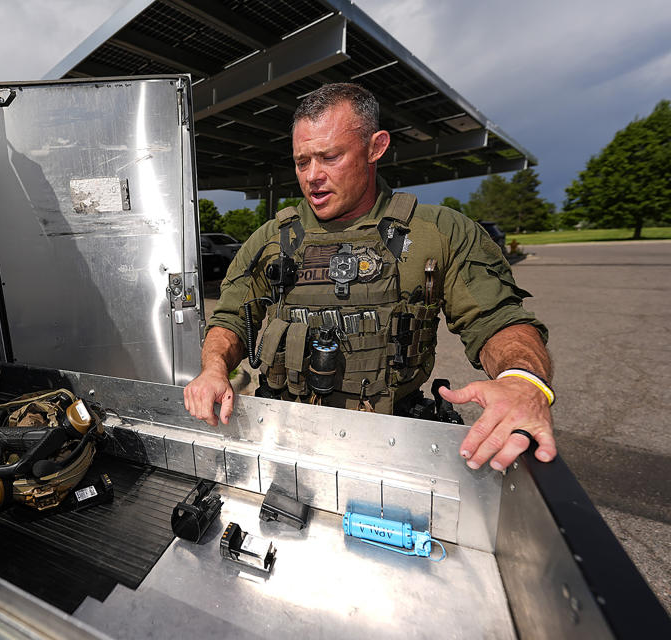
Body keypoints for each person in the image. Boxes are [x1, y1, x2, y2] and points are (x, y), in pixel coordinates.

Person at [183, 83, 555, 472]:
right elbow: (229, 320)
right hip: (285, 437)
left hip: (390, 444)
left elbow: (498, 320)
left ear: (376, 147)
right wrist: (214, 369)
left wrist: (521, 381)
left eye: (330, 157)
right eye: (302, 161)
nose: (313, 176)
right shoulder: (271, 240)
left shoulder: (437, 233)